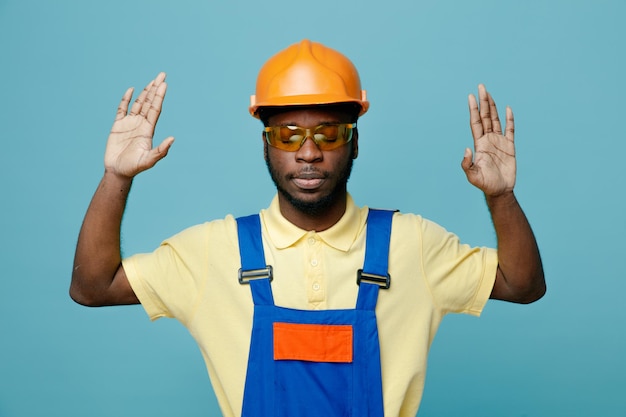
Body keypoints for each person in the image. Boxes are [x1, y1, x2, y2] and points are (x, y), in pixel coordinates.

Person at [70, 39, 545, 416]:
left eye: (330, 133)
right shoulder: (214, 251)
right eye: (288, 134)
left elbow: (522, 285)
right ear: (266, 146)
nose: (309, 152)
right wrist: (116, 178)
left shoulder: (412, 243)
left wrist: (499, 195)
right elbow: (93, 287)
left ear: (354, 144)